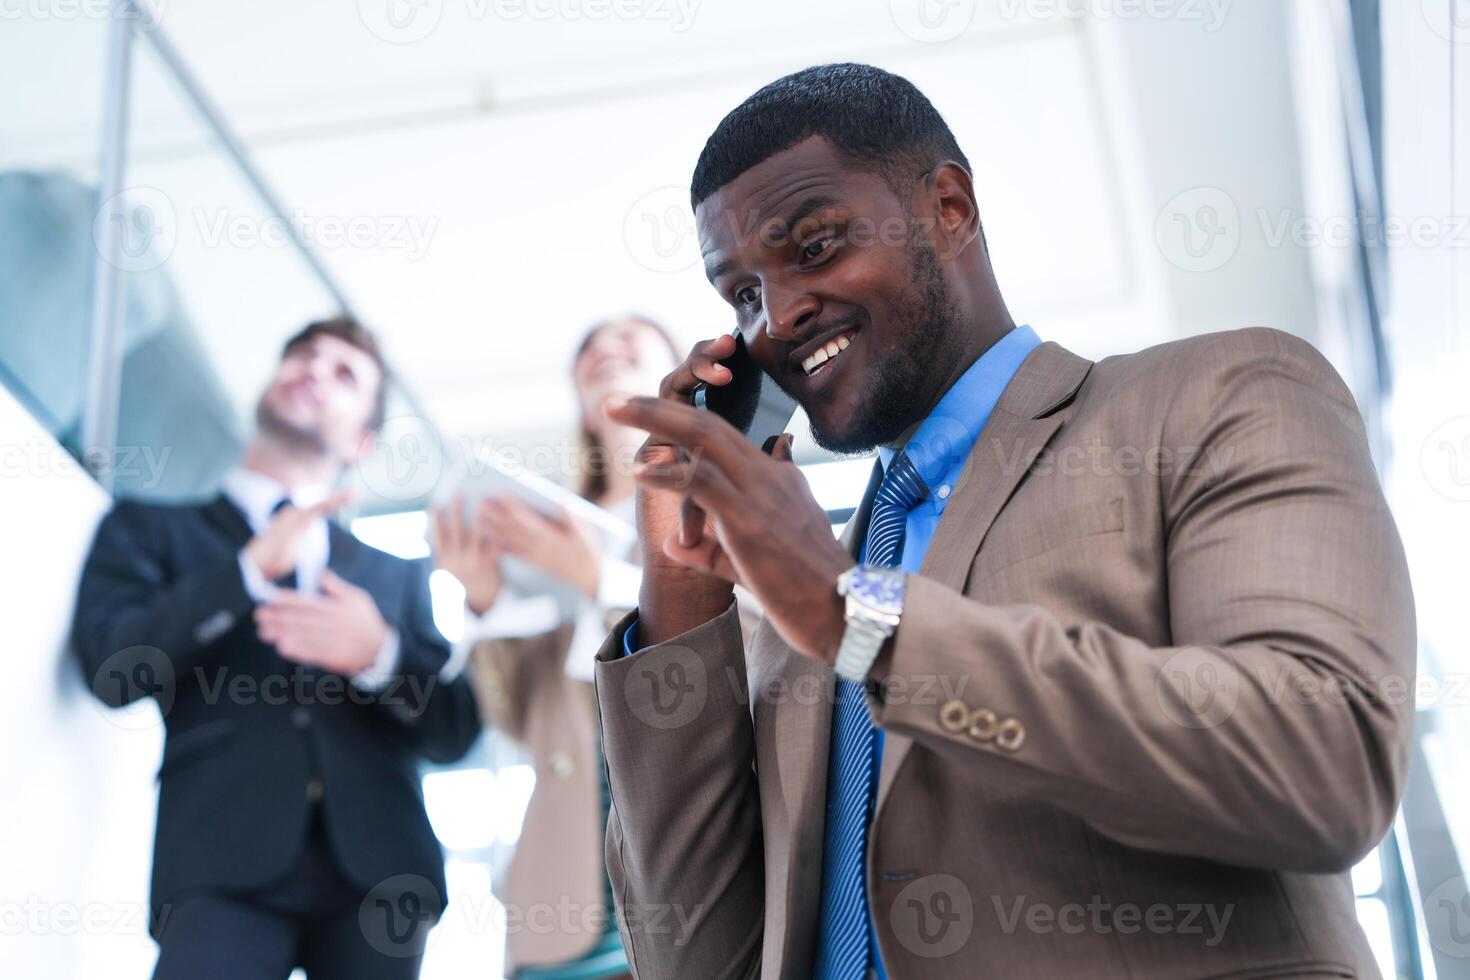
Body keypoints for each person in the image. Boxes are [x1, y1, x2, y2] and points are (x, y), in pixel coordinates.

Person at [590, 64, 1416, 979]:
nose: (778, 317)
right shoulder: (809, 597)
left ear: (949, 207)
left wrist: (854, 617)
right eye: (741, 294)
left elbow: (1323, 764)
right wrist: (679, 591)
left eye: (816, 248)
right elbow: (691, 959)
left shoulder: (1215, 396)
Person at [73, 316, 481, 980]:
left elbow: (453, 733)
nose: (315, 370)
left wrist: (379, 655)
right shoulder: (149, 528)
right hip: (216, 860)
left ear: (362, 440)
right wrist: (245, 572)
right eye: (304, 356)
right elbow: (114, 670)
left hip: (381, 873)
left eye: (344, 372)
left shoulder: (395, 576)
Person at [430, 316, 679, 980]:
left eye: (630, 342)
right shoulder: (546, 525)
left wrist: (600, 582)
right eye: (590, 351)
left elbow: (755, 653)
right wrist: (485, 600)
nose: (606, 351)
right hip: (566, 883)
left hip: (690, 865)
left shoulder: (722, 503)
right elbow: (515, 718)